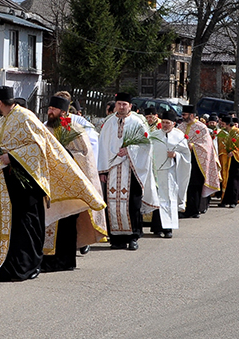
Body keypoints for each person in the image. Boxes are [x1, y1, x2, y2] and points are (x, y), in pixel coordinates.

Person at [0, 86, 104, 280]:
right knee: (13, 227)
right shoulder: (4, 120)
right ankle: (7, 268)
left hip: (28, 184)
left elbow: (38, 146)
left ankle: (27, 267)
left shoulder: (25, 116)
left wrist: (13, 158)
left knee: (26, 226)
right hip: (8, 182)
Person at [42, 94, 106, 268]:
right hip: (50, 186)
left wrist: (67, 155)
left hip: (70, 188)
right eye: (49, 109)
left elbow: (86, 157)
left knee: (66, 225)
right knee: (50, 223)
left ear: (63, 112)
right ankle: (47, 260)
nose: (50, 112)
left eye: (53, 110)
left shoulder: (75, 130)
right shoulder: (43, 129)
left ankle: (65, 260)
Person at [97, 93, 159, 250]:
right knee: (112, 204)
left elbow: (146, 145)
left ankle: (133, 237)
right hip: (112, 169)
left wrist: (129, 150)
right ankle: (116, 239)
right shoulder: (108, 122)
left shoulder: (138, 123)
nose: (121, 106)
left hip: (131, 169)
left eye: (125, 104)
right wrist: (102, 170)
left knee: (132, 204)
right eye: (119, 104)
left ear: (130, 106)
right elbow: (102, 147)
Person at [147, 109, 191, 238]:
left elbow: (186, 156)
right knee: (157, 199)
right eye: (164, 122)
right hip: (156, 173)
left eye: (168, 123)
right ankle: (157, 227)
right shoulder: (154, 135)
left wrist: (176, 155)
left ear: (173, 124)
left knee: (169, 199)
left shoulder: (179, 136)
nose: (165, 125)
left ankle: (168, 228)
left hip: (171, 173)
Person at [181, 105, 221, 217]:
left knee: (195, 185)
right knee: (184, 185)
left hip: (197, 160)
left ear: (192, 115)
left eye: (185, 115)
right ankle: (184, 208)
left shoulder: (202, 128)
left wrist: (193, 145)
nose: (183, 117)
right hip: (183, 160)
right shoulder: (180, 127)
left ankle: (194, 209)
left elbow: (207, 145)